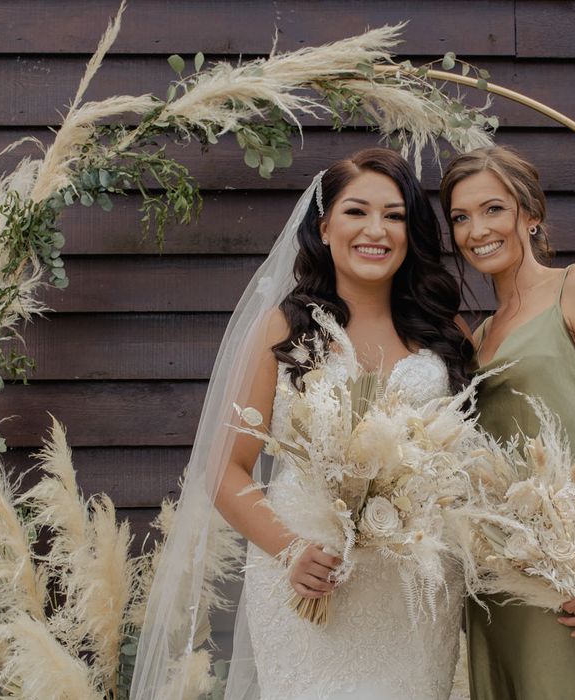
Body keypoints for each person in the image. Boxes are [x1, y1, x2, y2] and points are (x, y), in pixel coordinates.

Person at [131, 147, 474, 700]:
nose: (376, 230)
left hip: (413, 589)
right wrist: (291, 552)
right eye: (357, 212)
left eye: (394, 215)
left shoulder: (445, 331)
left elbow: (470, 452)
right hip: (311, 579)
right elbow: (226, 469)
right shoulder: (283, 330)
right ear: (323, 226)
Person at [439, 145, 575, 699]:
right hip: (490, 575)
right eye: (460, 217)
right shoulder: (476, 338)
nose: (476, 229)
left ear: (530, 215)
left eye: (493, 209)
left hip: (563, 572)